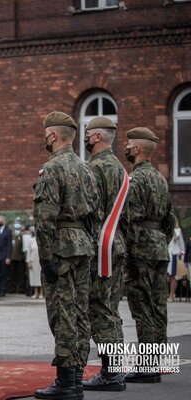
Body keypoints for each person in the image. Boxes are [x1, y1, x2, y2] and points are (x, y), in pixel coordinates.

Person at [34, 111, 98, 400]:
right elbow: (95, 213)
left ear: (52, 135)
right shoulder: (87, 169)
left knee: (62, 314)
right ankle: (76, 379)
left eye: (45, 132)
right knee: (80, 312)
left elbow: (44, 218)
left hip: (60, 245)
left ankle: (66, 382)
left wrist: (46, 258)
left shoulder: (52, 169)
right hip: (83, 245)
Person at [123, 127, 175, 383]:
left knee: (142, 307)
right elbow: (169, 220)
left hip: (141, 249)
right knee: (158, 306)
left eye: (130, 143)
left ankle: (146, 366)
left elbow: (130, 219)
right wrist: (159, 241)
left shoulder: (136, 179)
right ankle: (155, 362)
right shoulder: (161, 179)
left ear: (138, 149)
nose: (127, 147)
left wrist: (130, 253)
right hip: (159, 249)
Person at [81, 116, 128, 391]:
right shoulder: (120, 169)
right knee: (110, 309)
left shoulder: (95, 168)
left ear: (97, 136)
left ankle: (111, 373)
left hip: (100, 246)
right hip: (115, 243)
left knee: (100, 310)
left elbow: (87, 207)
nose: (85, 138)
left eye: (88, 134)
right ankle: (115, 370)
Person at [167, 219, 185, 302]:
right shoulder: (165, 229)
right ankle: (169, 294)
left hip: (174, 254)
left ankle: (171, 295)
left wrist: (182, 252)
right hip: (167, 254)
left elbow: (180, 242)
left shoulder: (178, 231)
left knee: (173, 276)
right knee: (167, 276)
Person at [26, 228, 43, 299]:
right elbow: (28, 252)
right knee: (34, 278)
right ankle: (35, 293)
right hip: (33, 261)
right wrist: (28, 261)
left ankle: (41, 293)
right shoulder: (31, 240)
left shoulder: (43, 240)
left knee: (41, 277)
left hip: (41, 262)